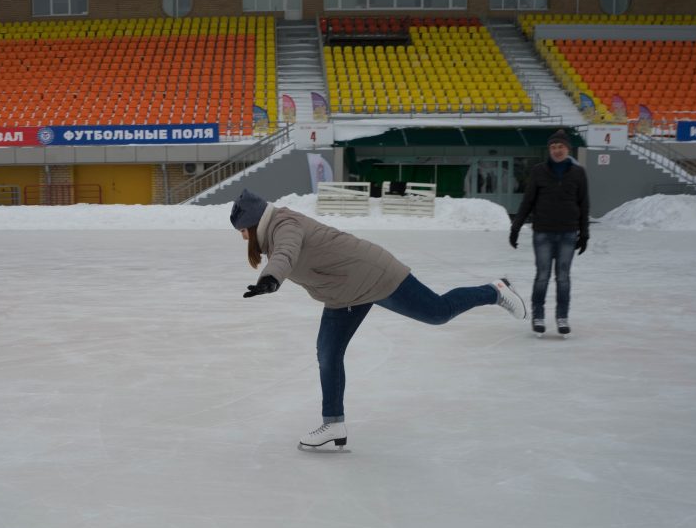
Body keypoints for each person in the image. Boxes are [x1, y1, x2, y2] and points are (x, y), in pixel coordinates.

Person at [230, 189, 527, 450]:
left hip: (375, 275)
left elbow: (287, 252)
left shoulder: (285, 224)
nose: (243, 236)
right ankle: (333, 424)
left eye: (243, 229)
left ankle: (494, 291)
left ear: (255, 222)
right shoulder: (276, 230)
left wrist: (271, 278)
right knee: (328, 354)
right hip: (344, 293)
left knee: (438, 312)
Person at [509, 128, 590, 336]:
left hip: (568, 232)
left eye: (560, 147)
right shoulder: (538, 171)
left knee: (563, 277)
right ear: (549, 150)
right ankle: (538, 315)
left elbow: (584, 204)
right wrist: (516, 227)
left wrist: (584, 232)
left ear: (567, 149)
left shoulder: (578, 173)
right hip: (543, 232)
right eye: (553, 147)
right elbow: (528, 201)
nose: (557, 150)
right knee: (542, 275)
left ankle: (562, 317)